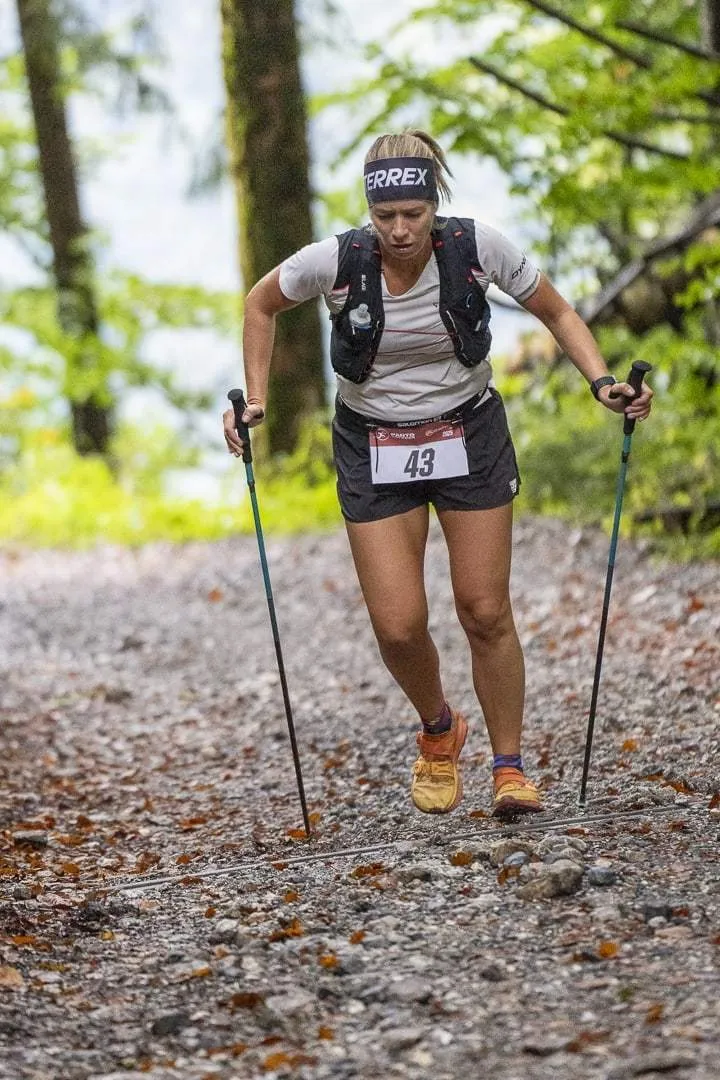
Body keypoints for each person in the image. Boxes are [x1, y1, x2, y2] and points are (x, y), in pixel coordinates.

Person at [223, 130, 653, 819]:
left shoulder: (478, 247)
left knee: (484, 610)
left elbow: (556, 310)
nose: (399, 230)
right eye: (385, 216)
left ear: (434, 203)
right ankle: (437, 727)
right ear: (370, 210)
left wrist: (601, 381)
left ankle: (508, 768)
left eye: (413, 214)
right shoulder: (335, 260)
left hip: (468, 430)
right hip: (371, 443)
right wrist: (255, 397)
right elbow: (259, 303)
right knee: (397, 626)